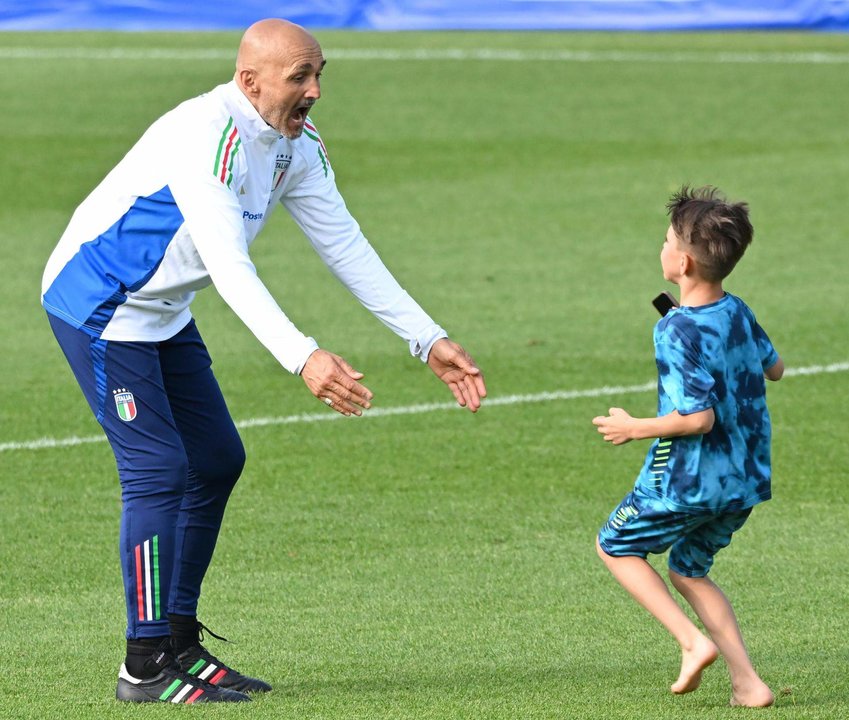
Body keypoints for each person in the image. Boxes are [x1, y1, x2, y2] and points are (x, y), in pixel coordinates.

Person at [41, 18, 486, 704]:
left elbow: (343, 244)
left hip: (161, 312)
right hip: (102, 308)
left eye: (319, 75)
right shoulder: (206, 137)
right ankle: (144, 664)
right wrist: (304, 357)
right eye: (299, 77)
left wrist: (425, 338)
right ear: (249, 82)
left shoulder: (293, 143)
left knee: (217, 459)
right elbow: (229, 265)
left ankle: (180, 643)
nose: (314, 91)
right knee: (157, 468)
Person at [592, 185, 782, 708]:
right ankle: (749, 683)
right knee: (689, 569)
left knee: (616, 546)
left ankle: (691, 641)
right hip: (744, 480)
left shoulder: (675, 330)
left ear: (682, 261)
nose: (661, 246)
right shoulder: (737, 310)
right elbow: (776, 367)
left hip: (689, 481)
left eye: (666, 239)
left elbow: (697, 418)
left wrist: (635, 427)